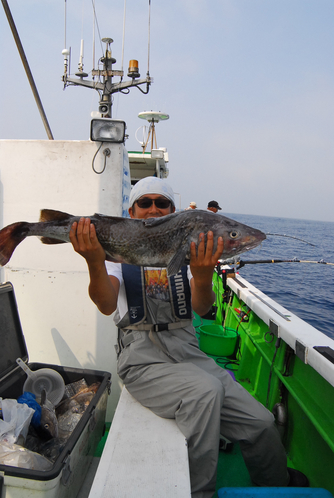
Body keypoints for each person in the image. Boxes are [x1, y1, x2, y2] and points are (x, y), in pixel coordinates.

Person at [69, 176, 308, 498]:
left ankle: (276, 481)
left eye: (162, 203)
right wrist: (94, 262)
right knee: (205, 392)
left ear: (173, 210)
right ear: (131, 210)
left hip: (187, 349)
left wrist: (202, 275)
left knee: (261, 422)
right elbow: (105, 304)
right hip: (142, 356)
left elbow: (203, 308)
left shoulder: (188, 250)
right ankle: (198, 492)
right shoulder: (116, 257)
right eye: (145, 202)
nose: (153, 209)